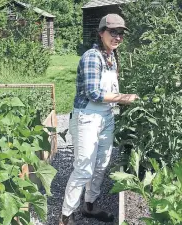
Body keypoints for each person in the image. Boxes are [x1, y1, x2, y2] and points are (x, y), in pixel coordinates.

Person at [60, 14, 138, 225]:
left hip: (106, 116)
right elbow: (94, 93)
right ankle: (66, 216)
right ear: (101, 32)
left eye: (121, 33)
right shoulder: (92, 56)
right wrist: (125, 98)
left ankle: (90, 206)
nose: (118, 37)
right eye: (113, 32)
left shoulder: (111, 58)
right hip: (87, 116)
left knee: (101, 164)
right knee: (84, 167)